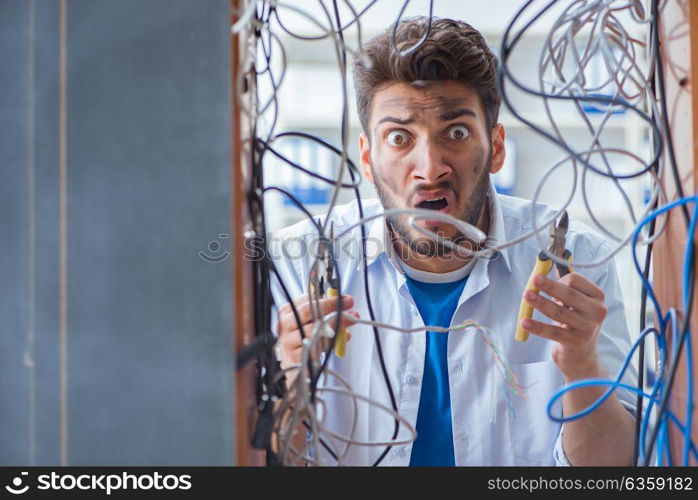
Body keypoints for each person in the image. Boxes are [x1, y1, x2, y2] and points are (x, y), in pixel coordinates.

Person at [270, 16, 637, 466]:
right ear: (367, 158)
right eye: (399, 137)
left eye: (457, 133)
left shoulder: (578, 262)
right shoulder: (294, 266)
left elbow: (613, 471)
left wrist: (583, 365)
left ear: (496, 147)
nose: (430, 167)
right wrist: (291, 382)